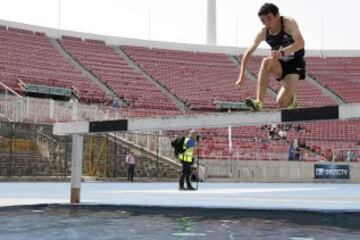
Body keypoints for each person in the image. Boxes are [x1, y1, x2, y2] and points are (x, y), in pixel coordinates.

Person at [235, 3, 305, 111]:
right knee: (266, 61)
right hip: (280, 64)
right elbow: (248, 53)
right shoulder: (263, 32)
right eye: (263, 20)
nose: (267, 23)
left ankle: (292, 99)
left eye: (269, 18)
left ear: (277, 15)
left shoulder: (288, 23)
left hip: (295, 65)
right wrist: (241, 76)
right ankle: (259, 102)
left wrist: (283, 52)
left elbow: (300, 43)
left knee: (282, 102)